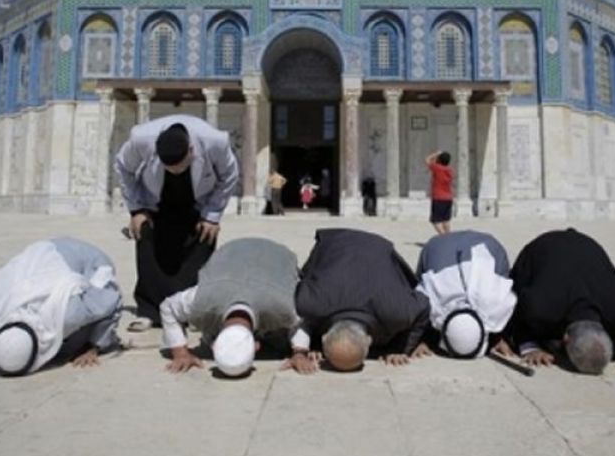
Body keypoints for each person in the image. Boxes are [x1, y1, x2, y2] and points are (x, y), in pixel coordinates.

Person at [115, 114, 239, 331]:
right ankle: (150, 311)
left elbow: (229, 175)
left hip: (198, 201)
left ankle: (192, 310)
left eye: (179, 167)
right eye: (169, 167)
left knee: (203, 241)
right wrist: (137, 209)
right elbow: (123, 167)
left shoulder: (215, 141)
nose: (175, 171)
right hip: (156, 200)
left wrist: (212, 214)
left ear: (191, 150)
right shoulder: (141, 138)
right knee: (146, 237)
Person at [0, 237, 123, 375]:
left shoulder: (69, 314)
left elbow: (112, 300)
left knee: (96, 294)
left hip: (86, 258)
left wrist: (94, 346)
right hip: (40, 255)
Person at [507, 228, 615, 374]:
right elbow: (513, 310)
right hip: (541, 249)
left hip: (586, 251)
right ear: (565, 338)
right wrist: (530, 347)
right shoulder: (539, 308)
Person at [158, 237, 317, 376]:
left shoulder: (283, 306)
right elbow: (168, 307)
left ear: (256, 346)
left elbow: (303, 317)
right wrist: (179, 352)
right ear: (256, 346)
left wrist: (299, 352)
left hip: (277, 255)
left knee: (280, 337)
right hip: (230, 253)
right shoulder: (201, 299)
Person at [295, 229, 431, 371]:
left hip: (376, 248)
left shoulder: (396, 312)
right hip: (334, 244)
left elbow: (424, 306)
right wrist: (308, 346)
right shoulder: (310, 303)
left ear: (369, 341)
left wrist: (401, 348)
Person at [415, 230, 517, 359]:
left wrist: (498, 337)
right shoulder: (431, 298)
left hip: (484, 246)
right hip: (440, 246)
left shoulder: (495, 299)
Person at [426, 151, 454, 234]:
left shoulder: (437, 168)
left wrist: (436, 154)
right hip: (448, 198)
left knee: (435, 221)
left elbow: (427, 160)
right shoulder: (450, 170)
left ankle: (443, 237)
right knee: (446, 220)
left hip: (438, 198)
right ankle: (449, 238)